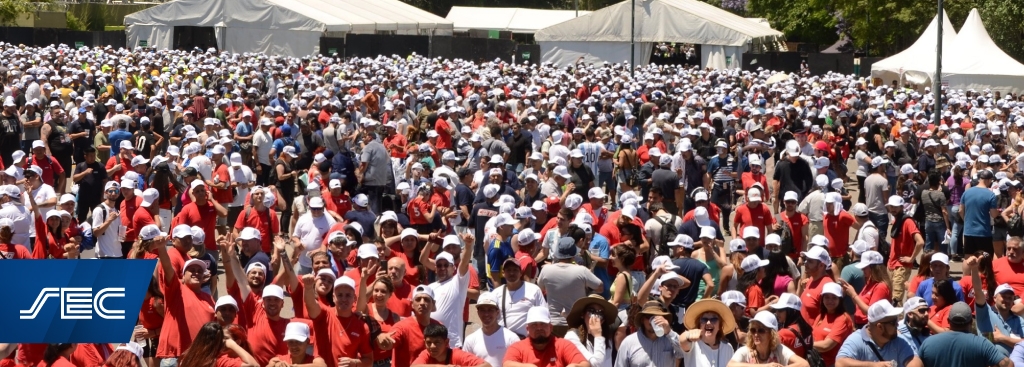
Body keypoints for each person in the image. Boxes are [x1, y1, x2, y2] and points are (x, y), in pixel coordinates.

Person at [537, 236, 603, 337]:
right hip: (575, 323)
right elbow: (600, 287)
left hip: (553, 322)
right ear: (573, 254)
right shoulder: (582, 271)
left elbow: (541, 288)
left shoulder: (546, 270)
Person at [918, 302, 1012, 367]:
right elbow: (1009, 365)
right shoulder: (982, 344)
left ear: (948, 321)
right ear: (971, 322)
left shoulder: (928, 343)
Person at [835, 300, 922, 367]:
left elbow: (915, 361)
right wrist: (873, 365)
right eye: (893, 322)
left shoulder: (897, 339)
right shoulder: (856, 340)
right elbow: (840, 363)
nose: (898, 324)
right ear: (880, 327)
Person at [968, 254, 1024, 354]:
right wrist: (974, 269)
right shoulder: (985, 312)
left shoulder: (1018, 320)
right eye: (1003, 296)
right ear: (994, 298)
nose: (1007, 300)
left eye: (1010, 298)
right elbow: (978, 291)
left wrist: (1001, 338)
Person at [502, 306, 589, 367]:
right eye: (534, 325)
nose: (539, 328)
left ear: (551, 327)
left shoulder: (563, 344)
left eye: (543, 324)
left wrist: (574, 366)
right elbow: (507, 364)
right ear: (527, 329)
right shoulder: (518, 347)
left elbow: (585, 364)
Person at [614, 300, 685, 366]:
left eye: (657, 317)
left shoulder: (670, 339)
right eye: (649, 317)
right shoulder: (629, 342)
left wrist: (669, 331)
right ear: (642, 320)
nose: (654, 321)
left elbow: (683, 352)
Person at [728, 311, 810, 367]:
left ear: (771, 334)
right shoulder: (745, 351)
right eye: (753, 330)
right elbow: (730, 365)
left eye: (761, 330)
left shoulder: (779, 350)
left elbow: (805, 364)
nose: (756, 334)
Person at [491, 257, 547, 338]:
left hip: (527, 340)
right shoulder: (496, 293)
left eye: (515, 270)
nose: (512, 273)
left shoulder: (534, 290)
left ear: (521, 273)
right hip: (504, 339)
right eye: (508, 270)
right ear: (503, 273)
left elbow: (543, 313)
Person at [463, 292, 520, 367]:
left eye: (490, 310)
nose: (486, 314)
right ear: (478, 313)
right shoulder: (470, 340)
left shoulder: (511, 338)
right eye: (482, 310)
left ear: (497, 312)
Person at [841, 250, 892, 327]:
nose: (862, 270)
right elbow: (859, 305)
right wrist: (850, 293)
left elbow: (871, 312)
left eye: (865, 267)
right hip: (860, 324)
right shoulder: (870, 283)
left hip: (869, 326)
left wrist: (854, 294)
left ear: (873, 268)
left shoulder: (881, 287)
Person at [564, 295, 617, 367]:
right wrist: (598, 336)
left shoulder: (607, 340)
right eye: (591, 311)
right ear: (583, 314)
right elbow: (595, 364)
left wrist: (599, 336)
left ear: (603, 320)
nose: (595, 316)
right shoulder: (572, 336)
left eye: (600, 313)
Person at [681, 299, 738, 367]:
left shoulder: (727, 348)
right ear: (699, 324)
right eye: (704, 319)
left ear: (720, 325)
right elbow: (682, 341)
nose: (708, 323)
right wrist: (688, 335)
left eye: (714, 320)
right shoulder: (693, 345)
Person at [176, 322, 258, 367]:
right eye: (222, 339)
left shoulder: (187, 356)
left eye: (225, 339)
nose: (223, 342)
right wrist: (232, 344)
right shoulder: (219, 361)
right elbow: (254, 365)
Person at [811, 282, 854, 366]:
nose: (830, 301)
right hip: (817, 361)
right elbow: (812, 337)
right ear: (822, 299)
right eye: (827, 297)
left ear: (840, 300)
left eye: (834, 298)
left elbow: (826, 346)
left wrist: (805, 344)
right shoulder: (821, 316)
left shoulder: (843, 318)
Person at [411, 324, 489, 367]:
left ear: (446, 342)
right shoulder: (426, 354)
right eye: (428, 343)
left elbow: (487, 366)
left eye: (437, 342)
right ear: (424, 342)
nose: (432, 346)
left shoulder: (457, 355)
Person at [960, 170, 1000, 255]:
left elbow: (960, 210)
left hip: (968, 230)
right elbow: (993, 214)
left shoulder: (967, 192)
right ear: (989, 180)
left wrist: (966, 221)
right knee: (984, 257)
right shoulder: (990, 194)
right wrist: (999, 212)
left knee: (968, 257)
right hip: (983, 231)